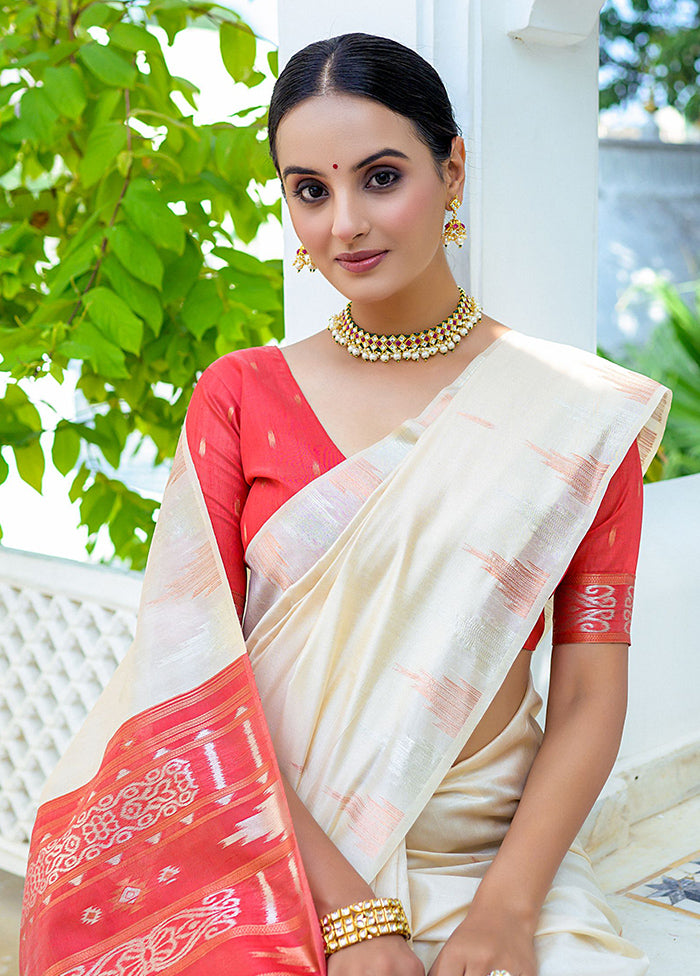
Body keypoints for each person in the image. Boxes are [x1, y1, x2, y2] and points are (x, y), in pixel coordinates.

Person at [20, 32, 671, 976]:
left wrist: (509, 909)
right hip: (268, 841)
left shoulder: (576, 418)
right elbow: (192, 675)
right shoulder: (239, 397)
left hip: (485, 857)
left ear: (452, 172)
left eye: (381, 176)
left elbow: (584, 693)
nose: (345, 225)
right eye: (310, 190)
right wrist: (355, 913)